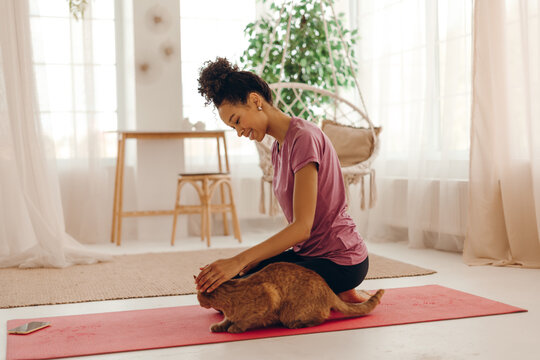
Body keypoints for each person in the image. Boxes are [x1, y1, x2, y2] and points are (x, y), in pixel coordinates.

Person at [194, 57, 369, 303]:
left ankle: (335, 292)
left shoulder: (304, 138)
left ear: (255, 101)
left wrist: (239, 260)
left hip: (340, 260)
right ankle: (331, 294)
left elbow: (301, 227)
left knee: (242, 297)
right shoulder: (278, 147)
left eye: (236, 121)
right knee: (221, 291)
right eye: (233, 127)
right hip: (307, 255)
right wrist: (242, 265)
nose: (239, 132)